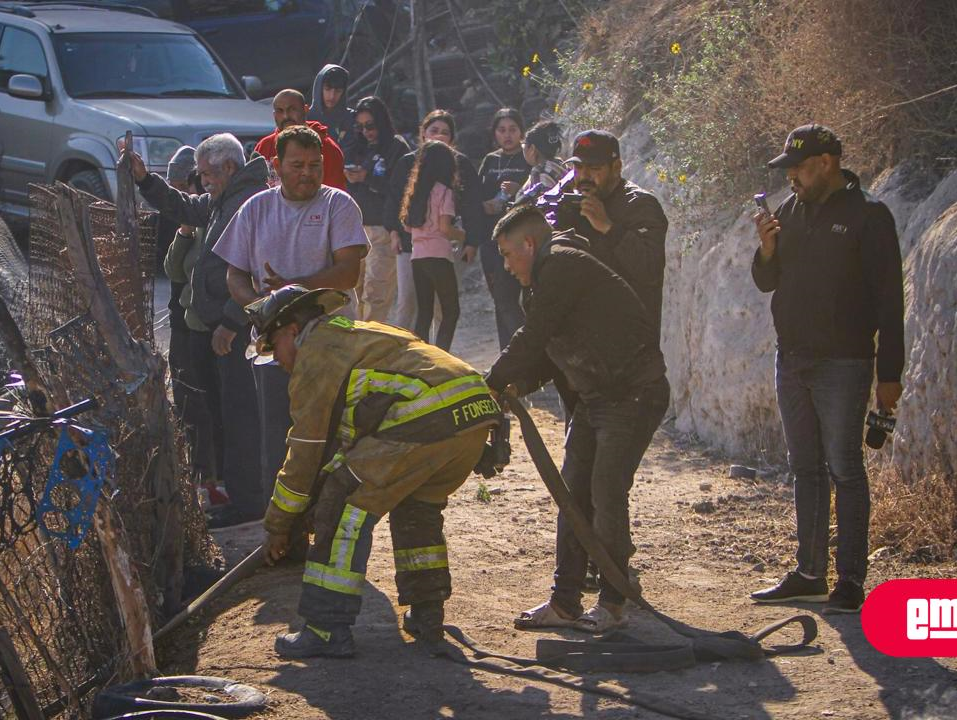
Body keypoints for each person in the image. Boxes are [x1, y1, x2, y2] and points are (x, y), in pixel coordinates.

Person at [248, 285, 502, 658]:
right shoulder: (362, 335)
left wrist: (279, 523)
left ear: (290, 330)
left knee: (344, 500)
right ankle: (427, 614)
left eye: (274, 350)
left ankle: (325, 628)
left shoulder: (316, 355)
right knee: (417, 505)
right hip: (475, 415)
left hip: (427, 419)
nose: (280, 363)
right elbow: (353, 442)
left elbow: (305, 451)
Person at [485, 205, 669, 633]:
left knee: (605, 496)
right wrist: (517, 385)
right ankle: (565, 602)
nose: (507, 266)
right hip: (597, 398)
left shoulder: (563, 265)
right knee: (573, 497)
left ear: (529, 244)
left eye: (508, 254)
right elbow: (549, 353)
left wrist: (492, 382)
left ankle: (612, 602)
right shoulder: (542, 283)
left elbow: (533, 338)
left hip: (632, 394)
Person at [748, 124, 905, 613]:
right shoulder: (790, 212)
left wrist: (889, 376)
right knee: (805, 469)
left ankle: (851, 581)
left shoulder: (870, 216)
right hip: (791, 358)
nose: (790, 176)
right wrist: (767, 249)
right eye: (787, 168)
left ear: (827, 163)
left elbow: (889, 302)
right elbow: (766, 281)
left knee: (845, 469)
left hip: (845, 362)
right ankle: (809, 573)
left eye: (797, 167)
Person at [213, 125, 369, 501]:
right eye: (297, 165)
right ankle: (280, 526)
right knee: (279, 437)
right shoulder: (256, 208)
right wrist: (262, 308)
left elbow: (348, 271)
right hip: (272, 344)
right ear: (276, 166)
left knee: (332, 432)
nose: (307, 173)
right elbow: (233, 274)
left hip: (333, 342)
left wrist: (291, 290)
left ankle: (327, 516)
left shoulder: (338, 204)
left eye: (315, 165)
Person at [125, 133, 270, 523]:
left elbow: (255, 274)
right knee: (224, 411)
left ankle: (248, 501)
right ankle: (236, 495)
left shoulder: (247, 202)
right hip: (214, 326)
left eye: (207, 173)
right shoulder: (225, 197)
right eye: (201, 175)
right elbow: (185, 207)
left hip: (235, 328)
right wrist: (144, 180)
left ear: (229, 168)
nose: (202, 181)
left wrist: (228, 321)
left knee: (240, 415)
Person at [545, 130, 669, 338]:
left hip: (630, 339)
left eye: (594, 168)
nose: (584, 176)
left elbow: (650, 270)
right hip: (584, 337)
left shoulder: (640, 205)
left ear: (616, 168)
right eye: (578, 167)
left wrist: (608, 228)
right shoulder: (572, 205)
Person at [157, 145, 222, 491]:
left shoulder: (212, 216)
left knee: (206, 406)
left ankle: (214, 477)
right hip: (181, 322)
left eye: (183, 189)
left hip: (204, 325)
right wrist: (182, 232)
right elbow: (172, 269)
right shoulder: (188, 223)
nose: (179, 198)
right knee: (185, 404)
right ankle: (199, 475)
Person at [385, 110, 482, 330]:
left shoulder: (462, 165)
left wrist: (472, 242)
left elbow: (472, 205)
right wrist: (393, 233)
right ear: (423, 134)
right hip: (410, 245)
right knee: (408, 304)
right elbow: (394, 201)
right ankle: (406, 357)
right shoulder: (407, 164)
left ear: (452, 139)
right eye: (434, 130)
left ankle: (439, 356)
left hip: (447, 246)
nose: (439, 136)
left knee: (441, 306)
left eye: (445, 132)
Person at [344, 96, 410, 322]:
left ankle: (371, 345)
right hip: (357, 229)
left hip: (383, 229)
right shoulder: (358, 148)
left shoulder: (397, 147)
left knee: (376, 294)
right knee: (354, 291)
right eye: (360, 127)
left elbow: (400, 188)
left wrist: (367, 177)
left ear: (381, 122)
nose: (366, 132)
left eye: (370, 126)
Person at [475, 108, 531, 347]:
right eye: (502, 130)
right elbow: (476, 194)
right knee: (500, 299)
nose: (507, 135)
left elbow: (540, 189)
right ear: (494, 133)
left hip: (523, 238)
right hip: (493, 240)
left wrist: (520, 189)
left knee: (524, 298)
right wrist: (483, 205)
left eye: (512, 129)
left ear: (522, 131)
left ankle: (529, 350)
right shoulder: (490, 160)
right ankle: (508, 354)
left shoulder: (529, 157)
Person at [399, 140, 463, 350]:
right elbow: (445, 228)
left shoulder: (417, 192)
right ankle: (442, 355)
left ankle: (422, 357)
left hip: (418, 258)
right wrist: (464, 236)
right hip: (439, 257)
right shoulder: (444, 191)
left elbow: (408, 227)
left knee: (424, 313)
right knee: (451, 311)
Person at [253, 88, 348, 191]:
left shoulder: (328, 147)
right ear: (274, 115)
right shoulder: (264, 146)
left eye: (292, 109)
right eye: (280, 111)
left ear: (305, 110)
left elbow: (335, 197)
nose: (286, 116)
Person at [306, 64, 353, 154]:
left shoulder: (351, 118)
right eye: (327, 89)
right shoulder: (305, 119)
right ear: (319, 89)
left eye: (338, 91)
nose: (332, 96)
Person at [516, 120, 566, 205]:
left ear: (532, 149)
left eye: (524, 145)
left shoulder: (540, 174)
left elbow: (540, 207)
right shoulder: (560, 165)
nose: (522, 149)